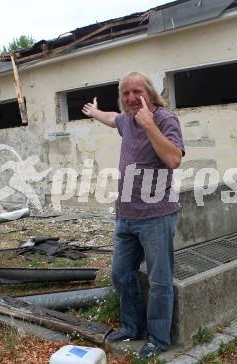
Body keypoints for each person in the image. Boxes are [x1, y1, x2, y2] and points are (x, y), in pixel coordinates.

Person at [82, 71, 185, 358]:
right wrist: (95, 112)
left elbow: (174, 159)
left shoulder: (165, 119)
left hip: (156, 216)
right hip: (126, 215)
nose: (131, 98)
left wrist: (150, 125)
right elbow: (112, 118)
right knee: (121, 273)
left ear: (149, 93)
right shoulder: (126, 120)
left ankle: (158, 338)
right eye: (126, 93)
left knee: (159, 280)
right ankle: (132, 327)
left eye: (136, 91)